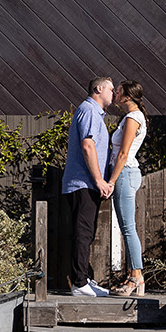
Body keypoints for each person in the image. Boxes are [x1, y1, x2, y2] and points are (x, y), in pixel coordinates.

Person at [62, 76, 114, 297]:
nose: (114, 93)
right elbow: (87, 146)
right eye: (111, 89)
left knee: (87, 233)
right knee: (83, 233)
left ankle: (84, 279)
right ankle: (79, 283)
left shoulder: (94, 113)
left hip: (87, 184)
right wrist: (99, 180)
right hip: (83, 183)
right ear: (99, 88)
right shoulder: (89, 110)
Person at [107, 80, 148, 296]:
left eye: (118, 91)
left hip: (124, 174)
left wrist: (111, 181)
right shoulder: (130, 117)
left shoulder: (133, 118)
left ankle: (136, 278)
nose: (114, 93)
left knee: (128, 228)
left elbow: (123, 154)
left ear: (127, 96)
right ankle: (134, 275)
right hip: (126, 173)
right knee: (127, 228)